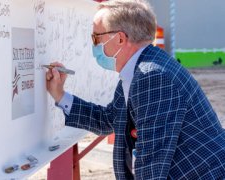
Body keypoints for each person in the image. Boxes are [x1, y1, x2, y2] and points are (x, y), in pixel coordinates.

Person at [46, 0, 225, 179]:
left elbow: (152, 163)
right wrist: (59, 95)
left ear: (120, 39)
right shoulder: (139, 69)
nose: (94, 46)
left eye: (96, 38)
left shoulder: (152, 76)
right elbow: (107, 120)